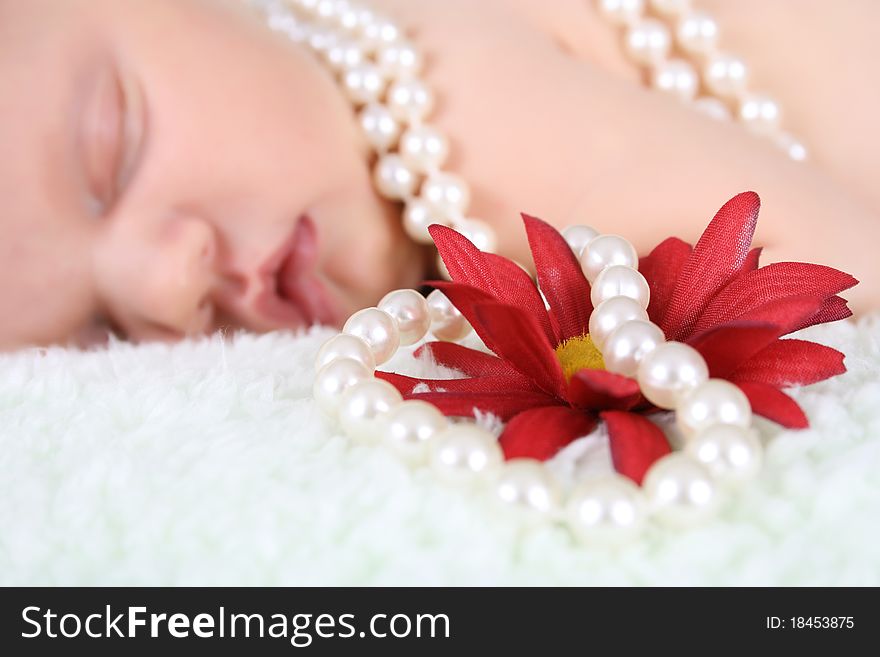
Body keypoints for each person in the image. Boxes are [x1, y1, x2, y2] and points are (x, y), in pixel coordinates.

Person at [1, 0, 876, 351]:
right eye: (98, 334)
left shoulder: (452, 118)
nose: (164, 283)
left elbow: (836, 279)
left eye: (114, 150)